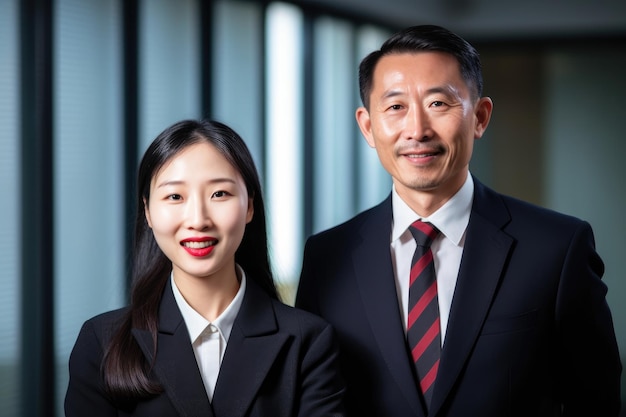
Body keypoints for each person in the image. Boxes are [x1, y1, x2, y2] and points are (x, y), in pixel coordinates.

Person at [296, 24, 621, 417]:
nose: (416, 130)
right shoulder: (328, 256)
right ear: (368, 126)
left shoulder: (557, 247)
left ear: (480, 117)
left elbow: (596, 403)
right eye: (396, 107)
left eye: (438, 104)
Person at [65, 119, 345, 417]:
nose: (198, 219)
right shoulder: (103, 342)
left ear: (249, 205)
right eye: (175, 197)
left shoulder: (308, 343)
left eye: (219, 194)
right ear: (147, 210)